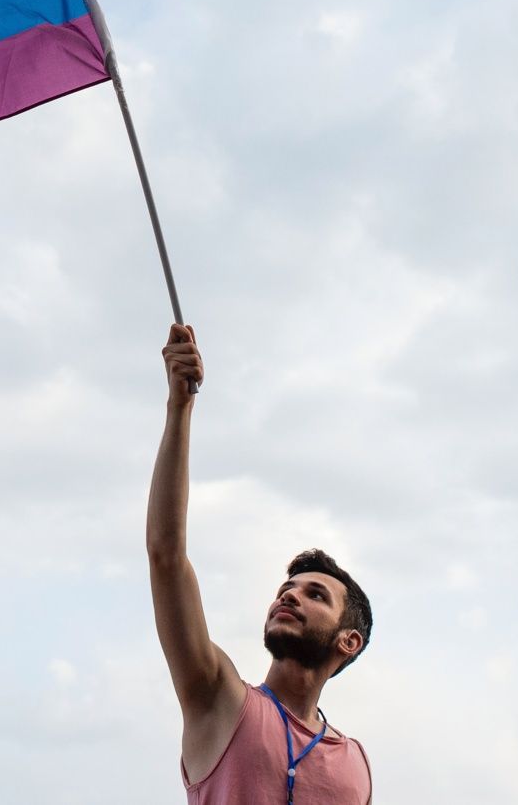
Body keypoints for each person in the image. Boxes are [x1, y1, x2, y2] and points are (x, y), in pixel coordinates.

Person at [148, 324, 374, 803]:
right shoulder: (219, 699)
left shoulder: (356, 765)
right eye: (285, 588)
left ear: (347, 640)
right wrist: (180, 408)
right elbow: (167, 555)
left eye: (316, 594)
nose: (288, 594)